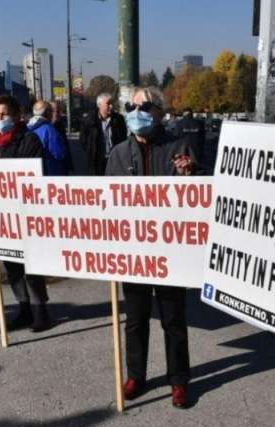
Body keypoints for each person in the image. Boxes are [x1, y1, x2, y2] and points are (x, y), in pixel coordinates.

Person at [105, 86, 196, 409]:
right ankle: (136, 375)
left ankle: (179, 380)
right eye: (132, 105)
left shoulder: (178, 147)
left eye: (145, 105)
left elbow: (196, 198)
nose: (137, 111)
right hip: (132, 251)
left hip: (169, 249)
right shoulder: (117, 153)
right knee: (135, 318)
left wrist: (189, 175)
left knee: (173, 318)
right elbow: (106, 203)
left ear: (159, 111)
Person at [0, 95, 52, 332]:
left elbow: (27, 171)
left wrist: (0, 163)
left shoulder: (30, 139)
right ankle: (23, 308)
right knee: (12, 264)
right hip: (5, 213)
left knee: (31, 264)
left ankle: (40, 312)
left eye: (3, 114)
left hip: (26, 211)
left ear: (16, 116)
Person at [80, 92, 127, 175]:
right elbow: (84, 141)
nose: (111, 106)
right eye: (108, 103)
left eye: (111, 103)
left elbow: (123, 139)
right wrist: (92, 151)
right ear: (99, 105)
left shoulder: (119, 119)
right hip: (97, 162)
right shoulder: (89, 120)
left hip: (115, 160)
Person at [27, 100, 68, 175]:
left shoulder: (28, 127)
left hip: (34, 171)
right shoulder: (49, 130)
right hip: (51, 171)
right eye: (51, 111)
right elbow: (59, 153)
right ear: (48, 113)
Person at [49, 100, 75, 174]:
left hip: (62, 168)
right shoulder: (45, 128)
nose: (57, 113)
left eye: (58, 111)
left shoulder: (60, 126)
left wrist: (70, 166)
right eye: (54, 111)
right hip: (51, 170)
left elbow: (66, 148)